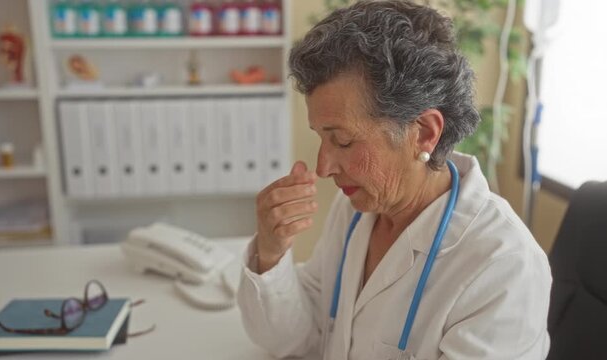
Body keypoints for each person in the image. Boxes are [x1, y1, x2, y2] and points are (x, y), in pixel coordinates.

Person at [237, 1, 552, 359]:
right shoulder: (356, 210)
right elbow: (301, 339)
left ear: (424, 133)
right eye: (320, 138)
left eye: (342, 140)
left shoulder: (503, 264)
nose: (323, 167)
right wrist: (271, 252)